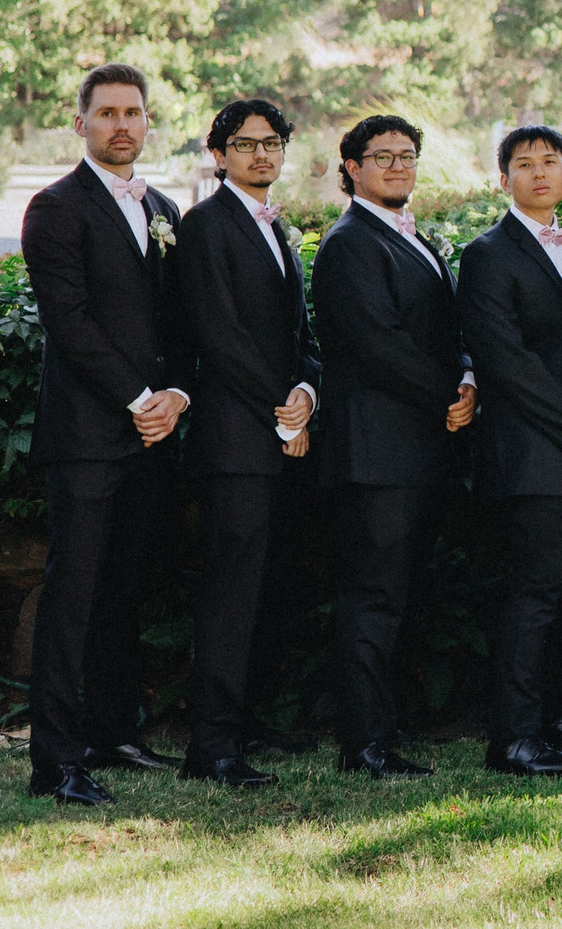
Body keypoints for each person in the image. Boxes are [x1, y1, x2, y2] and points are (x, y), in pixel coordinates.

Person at [20, 64, 189, 805]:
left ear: (149, 123)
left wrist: (177, 395)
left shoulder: (167, 208)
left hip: (154, 436)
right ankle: (56, 760)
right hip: (88, 435)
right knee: (74, 597)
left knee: (126, 590)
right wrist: (140, 397)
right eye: (108, 112)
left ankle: (113, 728)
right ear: (81, 120)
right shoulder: (55, 208)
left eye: (135, 112)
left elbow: (183, 318)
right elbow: (72, 323)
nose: (123, 124)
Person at [311, 114, 475, 780]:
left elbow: (445, 326)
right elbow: (378, 345)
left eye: (407, 155)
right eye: (382, 157)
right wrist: (447, 390)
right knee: (371, 596)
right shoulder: (350, 243)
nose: (398, 166)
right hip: (374, 452)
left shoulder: (413, 237)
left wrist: (466, 376)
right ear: (352, 168)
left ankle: (386, 723)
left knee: (400, 594)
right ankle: (364, 744)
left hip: (415, 449)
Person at [457, 126, 562, 777]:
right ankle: (513, 737)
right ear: (504, 180)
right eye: (524, 164)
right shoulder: (488, 253)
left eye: (550, 161)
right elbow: (506, 361)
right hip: (530, 451)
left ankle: (551, 718)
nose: (539, 172)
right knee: (533, 592)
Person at [173, 98, 321, 789]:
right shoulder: (206, 224)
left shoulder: (277, 226)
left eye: (272, 144)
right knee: (230, 592)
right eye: (246, 144)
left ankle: (247, 721)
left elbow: (298, 334)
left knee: (267, 587)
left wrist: (308, 393)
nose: (261, 155)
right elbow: (218, 334)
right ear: (219, 153)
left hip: (280, 431)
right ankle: (212, 746)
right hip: (237, 439)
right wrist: (280, 408)